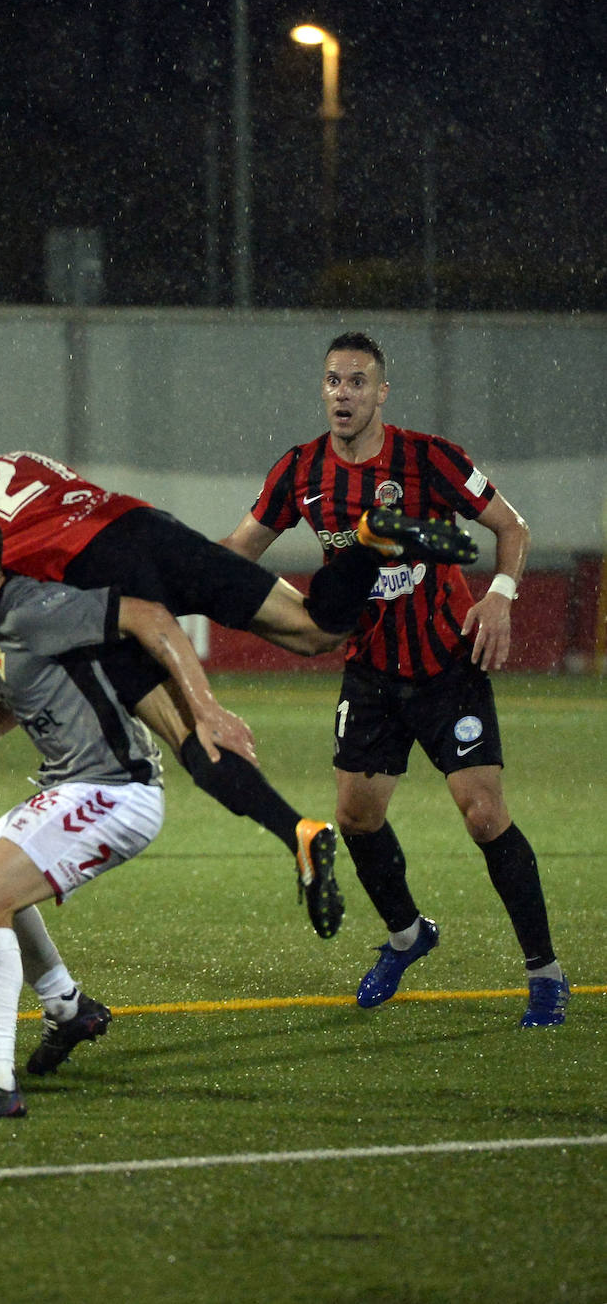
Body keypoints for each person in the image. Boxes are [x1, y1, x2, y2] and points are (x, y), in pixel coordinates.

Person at [0, 402, 476, 940]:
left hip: (101, 576)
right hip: (145, 526)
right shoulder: (17, 462)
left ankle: (296, 830)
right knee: (317, 627)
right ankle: (369, 541)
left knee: (189, 731)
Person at [221, 330, 568, 1028]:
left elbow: (513, 528)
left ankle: (545, 972)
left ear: (381, 392)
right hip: (371, 671)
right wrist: (178, 566)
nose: (342, 394)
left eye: (357, 382)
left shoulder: (429, 458)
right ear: (322, 390)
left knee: (484, 814)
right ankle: (409, 936)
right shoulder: (301, 471)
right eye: (332, 381)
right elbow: (237, 551)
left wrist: (500, 593)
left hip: (447, 665)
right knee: (355, 817)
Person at [0, 500, 265, 1119]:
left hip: (118, 791)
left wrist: (203, 709)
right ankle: (69, 1008)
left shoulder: (35, 607)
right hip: (76, 784)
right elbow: (29, 683)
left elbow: (150, 617)